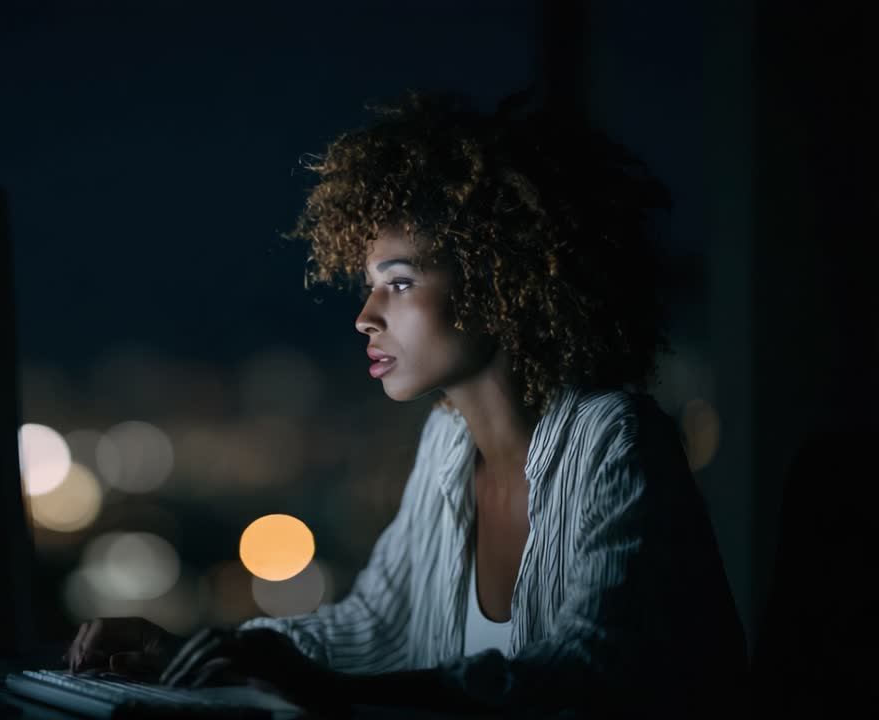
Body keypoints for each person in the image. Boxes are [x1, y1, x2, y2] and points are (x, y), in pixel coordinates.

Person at [64, 90, 749, 718]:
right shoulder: (448, 446)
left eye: (398, 282)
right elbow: (372, 627)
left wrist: (330, 693)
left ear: (497, 277)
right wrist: (190, 648)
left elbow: (587, 675)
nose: (365, 315)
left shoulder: (617, 439)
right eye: (368, 285)